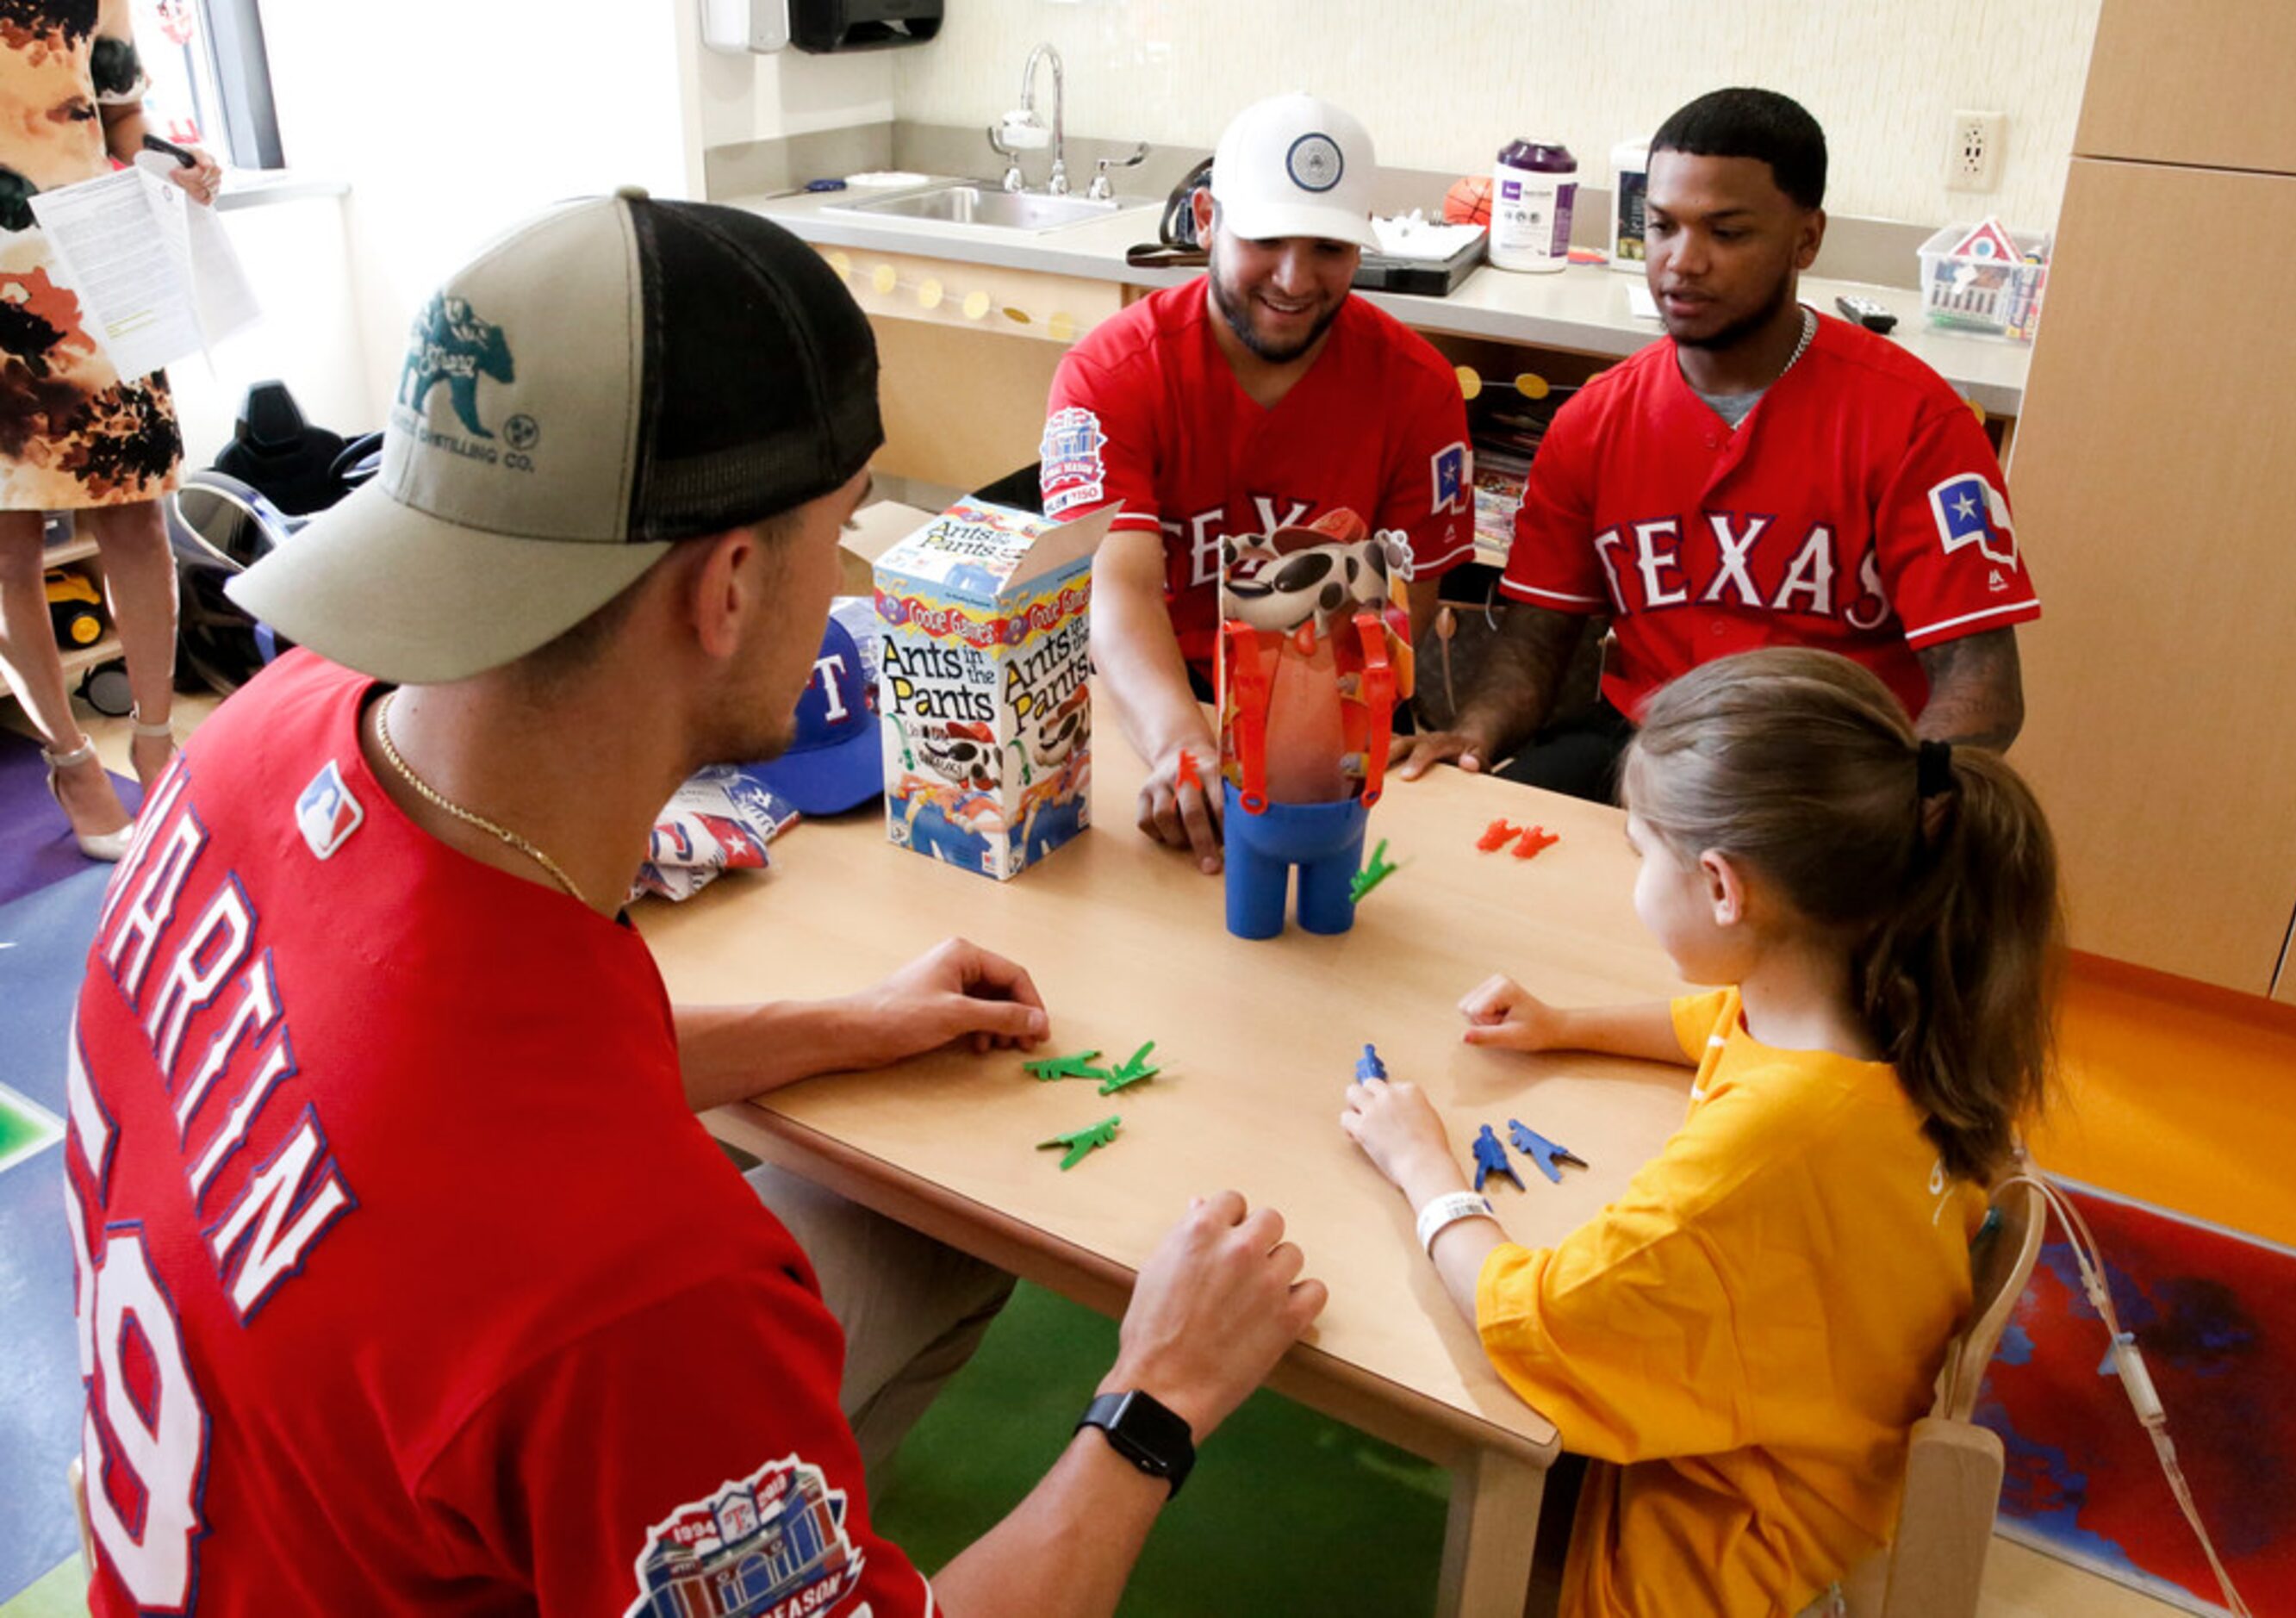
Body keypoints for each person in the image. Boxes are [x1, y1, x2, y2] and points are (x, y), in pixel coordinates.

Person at [65, 193, 1324, 1616]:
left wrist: (841, 1020)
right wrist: (1153, 1397)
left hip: (252, 1523)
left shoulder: (265, 732)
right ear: (728, 582)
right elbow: (544, 1205)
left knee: (922, 1217)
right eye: (841, 532)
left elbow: (444, 1098)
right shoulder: (640, 1289)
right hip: (465, 1471)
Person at [1343, 647, 2062, 1615]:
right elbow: (1717, 1026)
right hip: (1823, 1437)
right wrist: (1567, 1023)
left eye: (1644, 853)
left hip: (1720, 1545)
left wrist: (1424, 1168)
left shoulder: (1775, 1141)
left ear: (1725, 889)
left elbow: (1537, 1321)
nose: (1636, 878)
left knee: (1449, 1428)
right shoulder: (1887, 1004)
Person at [1399, 89, 2036, 802]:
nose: (1681, 261)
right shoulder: (1595, 419)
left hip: (1835, 771)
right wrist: (1475, 735)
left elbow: (1981, 685)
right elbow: (1537, 638)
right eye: (1663, 227)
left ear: (1806, 239)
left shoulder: (1916, 422)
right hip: (1649, 745)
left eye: (1725, 233)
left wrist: (1892, 810)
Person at [1042, 92, 1475, 871]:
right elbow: (1117, 589)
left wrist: (1328, 742)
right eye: (1266, 239)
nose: (1294, 278)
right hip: (1157, 694)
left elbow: (1404, 600)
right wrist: (1181, 742)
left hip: (1327, 716)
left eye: (1329, 249)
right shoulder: (1110, 375)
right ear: (1207, 220)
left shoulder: (1418, 386)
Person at [0, 0, 223, 857]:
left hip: (91, 266)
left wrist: (174, 167)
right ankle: (68, 758)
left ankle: (159, 740)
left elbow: (120, 115)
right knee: (9, 542)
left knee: (135, 511)